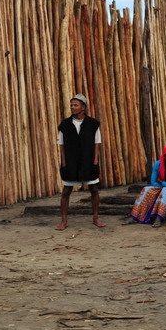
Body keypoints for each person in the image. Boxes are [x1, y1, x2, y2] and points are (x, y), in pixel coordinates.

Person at [55, 94, 106, 230]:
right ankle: (64, 221)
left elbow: (97, 143)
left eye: (75, 105)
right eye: (71, 105)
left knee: (94, 189)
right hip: (71, 162)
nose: (72, 107)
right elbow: (61, 145)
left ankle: (95, 218)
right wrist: (64, 162)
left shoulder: (93, 124)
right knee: (66, 191)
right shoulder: (65, 125)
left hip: (88, 162)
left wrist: (95, 161)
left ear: (83, 107)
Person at [123, 146, 166, 228]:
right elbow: (153, 182)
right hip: (160, 188)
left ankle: (159, 218)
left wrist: (162, 182)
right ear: (165, 157)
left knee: (165, 191)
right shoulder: (157, 164)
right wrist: (162, 185)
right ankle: (134, 216)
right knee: (145, 189)